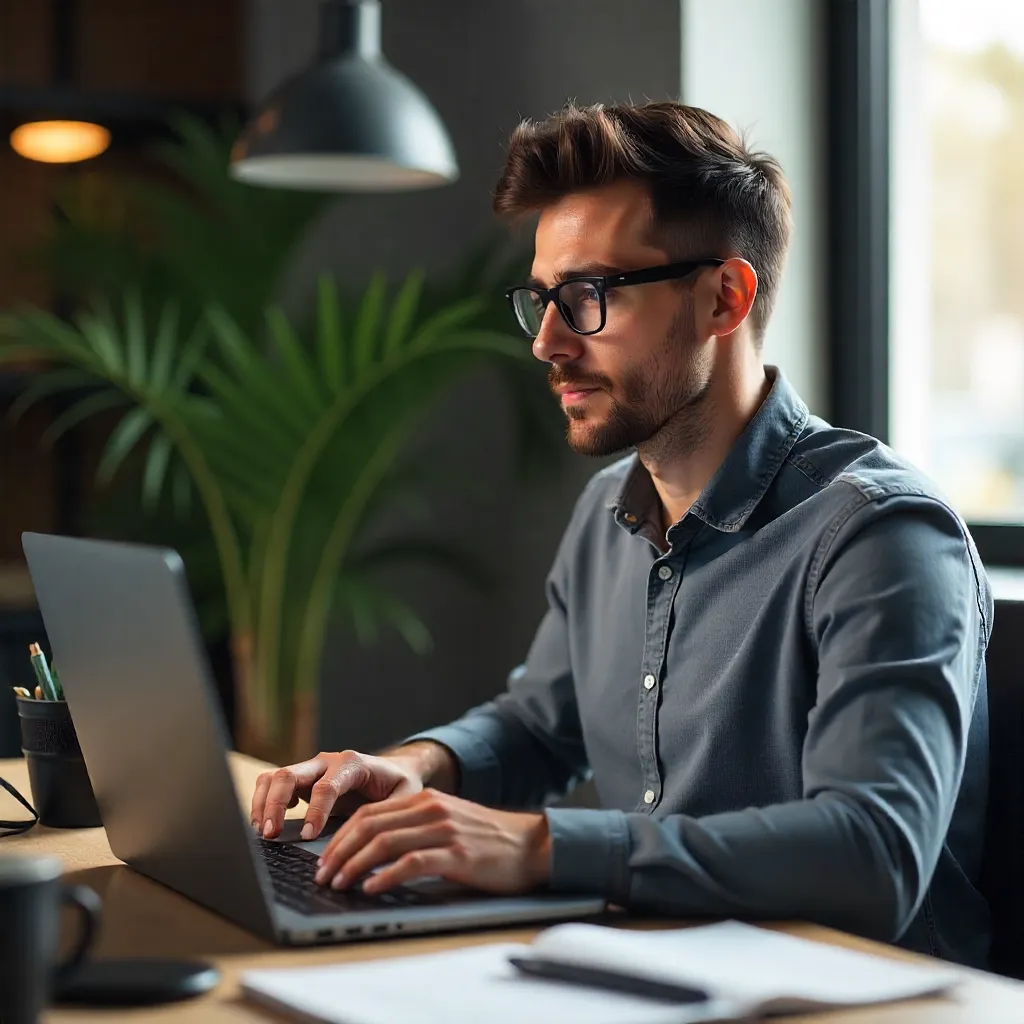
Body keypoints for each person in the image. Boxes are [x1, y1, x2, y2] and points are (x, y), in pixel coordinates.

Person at [250, 101, 991, 967]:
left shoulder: (881, 536)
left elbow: (875, 853)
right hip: (660, 968)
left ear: (725, 296)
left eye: (589, 296)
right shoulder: (613, 508)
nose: (548, 343)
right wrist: (418, 767)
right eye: (541, 301)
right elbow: (540, 725)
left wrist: (538, 849)